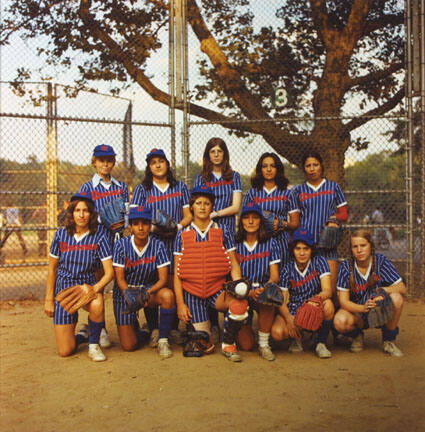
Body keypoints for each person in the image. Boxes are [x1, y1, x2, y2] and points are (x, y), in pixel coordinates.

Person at [174, 185, 248, 362]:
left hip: (217, 289)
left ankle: (228, 343)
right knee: (204, 344)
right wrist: (180, 304)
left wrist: (238, 286)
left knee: (240, 304)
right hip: (192, 293)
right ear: (191, 206)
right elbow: (177, 274)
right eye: (198, 203)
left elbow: (234, 264)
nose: (202, 206)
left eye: (206, 203)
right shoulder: (182, 234)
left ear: (212, 207)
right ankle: (205, 333)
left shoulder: (223, 232)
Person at [131, 148, 192, 347]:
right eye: (153, 162)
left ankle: (172, 327)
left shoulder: (180, 187)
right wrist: (155, 227)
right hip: (152, 241)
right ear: (149, 167)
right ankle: (153, 327)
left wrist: (177, 227)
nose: (157, 165)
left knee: (174, 281)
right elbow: (134, 217)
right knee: (152, 281)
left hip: (175, 240)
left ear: (167, 164)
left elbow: (188, 214)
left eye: (161, 161)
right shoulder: (143, 189)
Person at [44, 192, 114, 361]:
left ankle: (93, 345)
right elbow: (52, 269)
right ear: (72, 213)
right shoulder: (61, 235)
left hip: (86, 288)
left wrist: (94, 288)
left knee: (97, 303)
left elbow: (109, 272)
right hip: (65, 291)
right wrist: (48, 299)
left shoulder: (99, 236)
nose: (81, 215)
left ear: (91, 214)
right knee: (66, 351)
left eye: (85, 211)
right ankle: (83, 335)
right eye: (77, 210)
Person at [79, 144, 129, 348]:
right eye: (101, 160)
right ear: (94, 162)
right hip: (99, 240)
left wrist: (122, 229)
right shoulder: (88, 188)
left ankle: (128, 323)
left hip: (118, 241)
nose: (105, 163)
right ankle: (99, 328)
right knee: (99, 284)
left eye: (109, 160)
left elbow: (126, 216)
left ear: (113, 162)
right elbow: (84, 216)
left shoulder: (121, 187)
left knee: (122, 282)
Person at [194, 138, 243, 342]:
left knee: (227, 274)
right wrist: (208, 219)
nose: (216, 154)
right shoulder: (201, 178)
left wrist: (215, 214)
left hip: (227, 230)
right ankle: (212, 323)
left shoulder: (234, 177)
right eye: (212, 151)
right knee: (210, 274)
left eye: (219, 151)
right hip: (206, 231)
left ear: (224, 154)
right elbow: (196, 205)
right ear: (207, 154)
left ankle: (229, 323)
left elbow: (236, 206)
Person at [112, 206, 176, 359]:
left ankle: (163, 339)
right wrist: (129, 294)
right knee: (129, 346)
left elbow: (163, 279)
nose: (141, 227)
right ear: (131, 226)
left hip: (148, 290)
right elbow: (119, 279)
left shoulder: (158, 245)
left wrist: (147, 293)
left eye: (145, 223)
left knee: (167, 295)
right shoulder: (121, 245)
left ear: (150, 226)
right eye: (136, 223)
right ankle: (145, 331)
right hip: (125, 292)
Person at [333, 229, 406, 357]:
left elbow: (402, 287)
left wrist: (383, 291)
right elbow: (344, 302)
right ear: (351, 249)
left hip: (379, 308)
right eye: (355, 246)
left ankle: (388, 340)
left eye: (363, 245)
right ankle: (357, 335)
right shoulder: (346, 267)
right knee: (340, 320)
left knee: (397, 298)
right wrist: (363, 308)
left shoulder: (380, 261)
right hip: (357, 312)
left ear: (371, 246)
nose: (359, 250)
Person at [271, 228, 335, 358]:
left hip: (314, 304)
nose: (302, 253)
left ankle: (320, 342)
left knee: (328, 305)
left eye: (306, 248)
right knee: (277, 332)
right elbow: (281, 300)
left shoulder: (319, 261)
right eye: (298, 248)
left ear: (312, 249)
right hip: (294, 307)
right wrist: (289, 319)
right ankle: (296, 338)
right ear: (292, 250)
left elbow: (328, 290)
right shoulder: (287, 268)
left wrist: (314, 300)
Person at [291, 151, 348, 295]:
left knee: (331, 290)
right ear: (304, 168)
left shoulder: (333, 187)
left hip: (327, 245)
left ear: (321, 166)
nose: (312, 168)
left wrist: (335, 219)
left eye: (315, 165)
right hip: (306, 246)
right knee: (308, 290)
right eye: (308, 165)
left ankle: (330, 317)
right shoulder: (298, 190)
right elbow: (295, 221)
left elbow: (344, 213)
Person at [235, 203, 281, 361]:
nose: (250, 222)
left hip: (261, 290)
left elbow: (274, 276)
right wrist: (248, 292)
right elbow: (233, 278)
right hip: (242, 293)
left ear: (261, 221)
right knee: (246, 346)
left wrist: (264, 289)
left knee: (269, 296)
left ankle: (264, 343)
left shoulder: (271, 243)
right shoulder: (235, 245)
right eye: (246, 218)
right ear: (241, 221)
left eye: (255, 218)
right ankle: (242, 326)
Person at [243, 152, 299, 266]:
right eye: (265, 166)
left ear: (278, 169)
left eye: (272, 166)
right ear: (260, 169)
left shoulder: (288, 193)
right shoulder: (252, 193)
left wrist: (281, 223)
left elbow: (295, 223)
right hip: (259, 241)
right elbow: (244, 220)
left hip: (281, 240)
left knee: (281, 275)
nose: (269, 169)